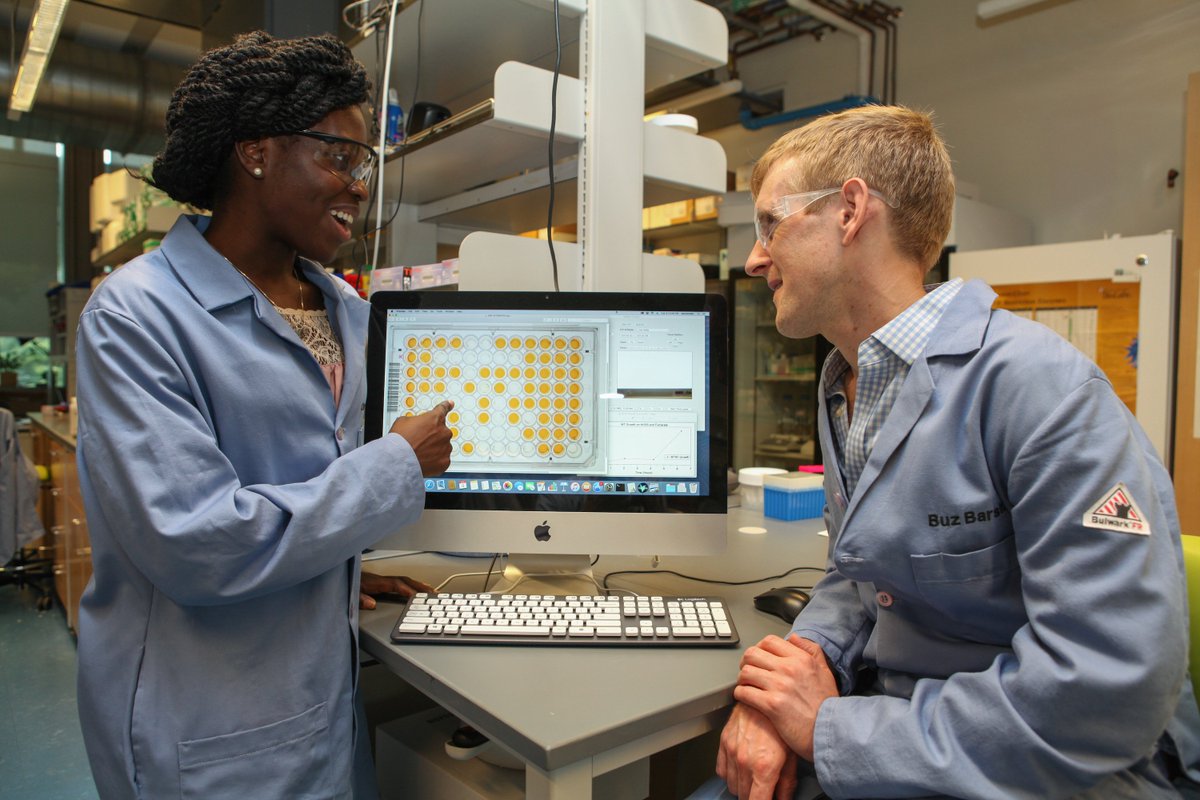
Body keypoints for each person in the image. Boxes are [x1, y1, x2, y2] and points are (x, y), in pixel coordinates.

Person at [702, 104, 1200, 799]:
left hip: (1061, 772)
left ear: (850, 211)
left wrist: (832, 730)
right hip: (906, 736)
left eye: (770, 223)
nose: (754, 258)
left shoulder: (1043, 390)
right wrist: (792, 674)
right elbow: (861, 571)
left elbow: (1106, 693)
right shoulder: (849, 380)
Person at [74, 32, 453, 799]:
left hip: (322, 715)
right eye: (339, 158)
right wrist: (394, 465)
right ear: (256, 152)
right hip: (210, 732)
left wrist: (341, 568)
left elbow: (304, 484)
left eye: (365, 166)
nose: (359, 188)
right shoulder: (137, 315)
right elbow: (195, 543)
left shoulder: (346, 310)